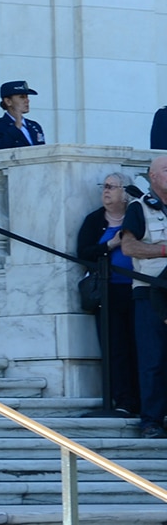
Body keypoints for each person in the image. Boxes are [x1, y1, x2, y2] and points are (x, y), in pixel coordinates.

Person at [77, 172, 144, 417]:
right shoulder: (94, 220)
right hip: (107, 294)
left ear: (125, 192)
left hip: (138, 291)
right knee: (115, 348)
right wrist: (111, 244)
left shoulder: (138, 215)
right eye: (103, 186)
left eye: (111, 187)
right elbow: (83, 252)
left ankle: (145, 400)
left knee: (141, 347)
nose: (105, 191)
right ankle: (124, 401)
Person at [113, 155, 167, 437]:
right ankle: (152, 421)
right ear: (153, 177)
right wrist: (162, 250)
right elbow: (129, 247)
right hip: (151, 292)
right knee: (153, 358)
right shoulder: (140, 207)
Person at [0, 80, 46, 151]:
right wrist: (15, 128)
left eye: (27, 97)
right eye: (22, 97)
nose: (27, 100)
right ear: (8, 101)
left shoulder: (34, 126)